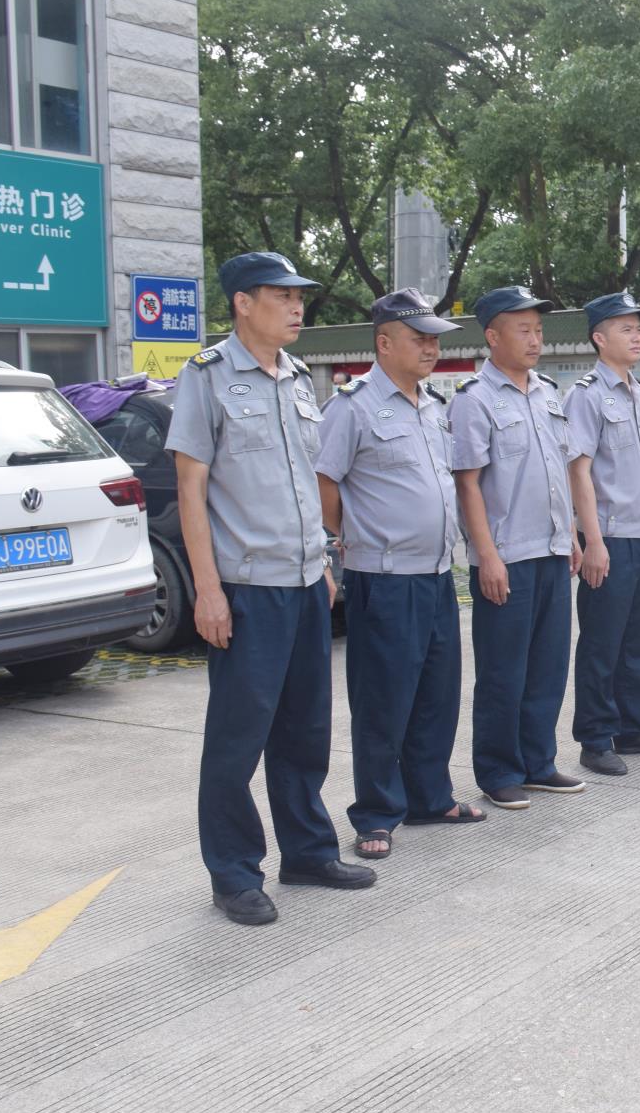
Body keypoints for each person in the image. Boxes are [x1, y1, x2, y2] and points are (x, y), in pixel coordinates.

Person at [167, 251, 376, 927]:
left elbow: (306, 482)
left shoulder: (297, 379)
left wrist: (324, 561)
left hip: (305, 581)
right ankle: (233, 873)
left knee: (305, 731)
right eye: (281, 296)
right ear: (242, 303)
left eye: (299, 296)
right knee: (237, 740)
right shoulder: (206, 377)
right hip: (247, 587)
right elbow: (191, 490)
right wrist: (207, 591)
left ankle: (308, 853)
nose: (296, 307)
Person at [315, 289, 485, 862]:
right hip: (385, 577)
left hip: (436, 574)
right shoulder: (352, 407)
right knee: (383, 702)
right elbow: (325, 481)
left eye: (435, 340)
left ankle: (430, 798)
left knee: (437, 695)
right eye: (420, 339)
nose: (432, 349)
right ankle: (376, 813)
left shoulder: (432, 405)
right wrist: (342, 539)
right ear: (384, 343)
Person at [451, 286, 588, 811]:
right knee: (503, 672)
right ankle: (498, 770)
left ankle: (537, 762)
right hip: (506, 556)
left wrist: (570, 533)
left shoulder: (548, 393)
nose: (535, 340)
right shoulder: (474, 400)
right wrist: (486, 555)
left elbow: (560, 470)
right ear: (493, 336)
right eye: (523, 330)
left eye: (538, 330)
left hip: (551, 550)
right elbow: (468, 485)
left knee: (548, 666)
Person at [565, 292, 640, 777]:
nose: (637, 337)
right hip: (609, 538)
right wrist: (592, 541)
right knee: (602, 643)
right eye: (625, 329)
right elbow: (578, 470)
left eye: (639, 329)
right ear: (599, 338)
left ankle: (633, 728)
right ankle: (595, 739)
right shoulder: (586, 396)